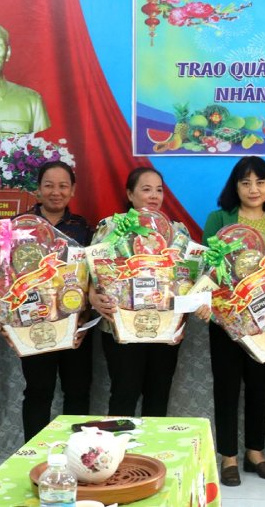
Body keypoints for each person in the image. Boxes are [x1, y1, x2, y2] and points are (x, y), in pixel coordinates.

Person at [202, 156, 265, 487]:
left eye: (261, 182)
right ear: (235, 186)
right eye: (246, 182)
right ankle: (228, 457)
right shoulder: (219, 219)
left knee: (259, 386)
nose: (254, 189)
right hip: (225, 320)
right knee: (226, 388)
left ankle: (255, 453)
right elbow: (207, 269)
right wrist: (206, 302)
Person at [89, 167, 184, 418]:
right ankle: (118, 455)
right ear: (130, 194)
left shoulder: (177, 231)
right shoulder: (112, 227)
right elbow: (89, 270)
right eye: (146, 189)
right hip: (120, 326)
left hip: (164, 326)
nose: (154, 195)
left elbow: (188, 276)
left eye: (159, 190)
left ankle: (151, 455)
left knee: (159, 394)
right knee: (124, 393)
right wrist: (91, 295)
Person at [16, 161, 93, 441]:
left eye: (63, 186)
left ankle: (81, 454)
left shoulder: (83, 229)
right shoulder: (20, 228)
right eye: (49, 185)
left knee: (78, 391)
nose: (55, 192)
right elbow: (6, 278)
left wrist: (84, 320)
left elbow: (94, 277)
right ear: (38, 190)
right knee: (38, 390)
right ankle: (32, 456)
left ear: (72, 190)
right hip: (34, 325)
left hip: (75, 326)